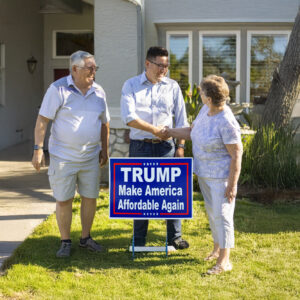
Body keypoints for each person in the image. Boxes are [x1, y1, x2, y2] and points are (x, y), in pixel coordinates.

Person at [32, 50, 110, 258]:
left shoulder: (99, 91)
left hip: (90, 156)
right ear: (75, 69)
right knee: (64, 200)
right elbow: (42, 120)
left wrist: (105, 149)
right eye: (89, 68)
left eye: (95, 68)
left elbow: (105, 123)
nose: (94, 72)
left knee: (90, 197)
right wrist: (38, 149)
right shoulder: (57, 89)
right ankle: (65, 241)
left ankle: (86, 238)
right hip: (63, 157)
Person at [164, 75, 243, 274]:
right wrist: (169, 132)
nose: (199, 95)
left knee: (223, 216)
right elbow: (192, 132)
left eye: (201, 92)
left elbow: (236, 154)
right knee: (212, 214)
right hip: (204, 174)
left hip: (221, 178)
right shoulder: (204, 111)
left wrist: (232, 185)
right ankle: (217, 249)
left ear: (208, 97)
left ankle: (225, 261)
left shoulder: (226, 121)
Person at [120, 46, 190, 250]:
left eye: (166, 66)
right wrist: (154, 130)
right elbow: (129, 118)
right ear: (147, 63)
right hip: (140, 147)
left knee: (171, 192)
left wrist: (181, 147)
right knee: (141, 195)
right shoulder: (131, 85)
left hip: (166, 147)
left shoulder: (173, 86)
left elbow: (181, 118)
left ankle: (175, 237)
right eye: (160, 65)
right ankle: (139, 240)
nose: (164, 70)